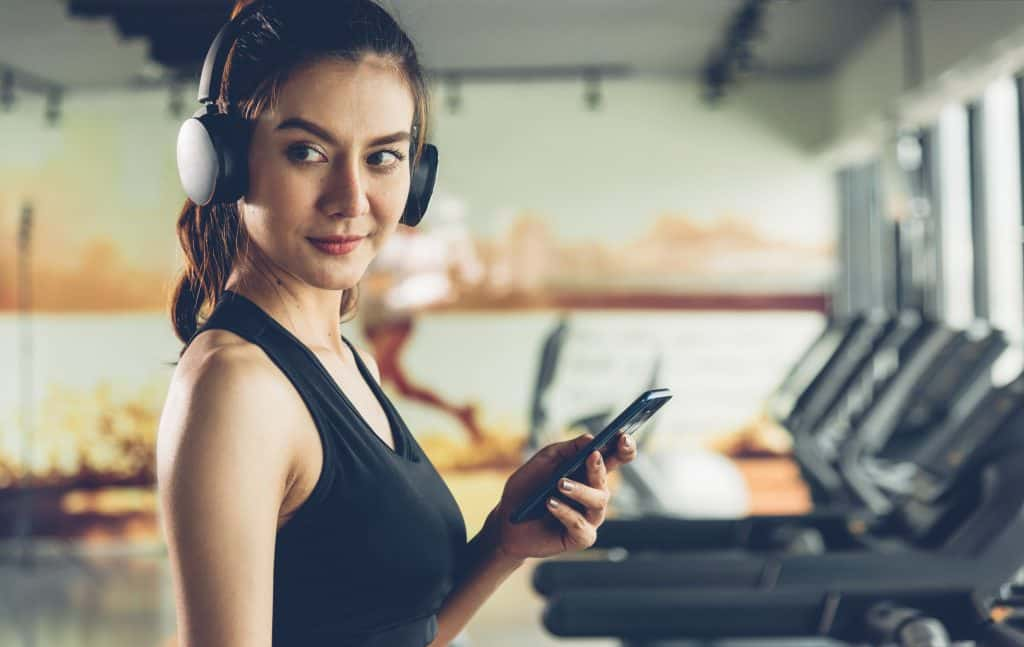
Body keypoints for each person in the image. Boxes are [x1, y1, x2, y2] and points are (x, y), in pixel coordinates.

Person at [155, 1, 638, 646]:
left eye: (382, 157)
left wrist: (503, 541)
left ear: (416, 176)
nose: (351, 199)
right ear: (226, 164)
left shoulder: (348, 360)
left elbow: (403, 634)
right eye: (308, 151)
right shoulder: (237, 386)